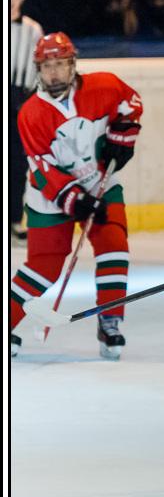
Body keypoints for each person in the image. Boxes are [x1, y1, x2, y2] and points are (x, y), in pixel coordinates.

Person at [9, 32, 143, 360]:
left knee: (114, 245)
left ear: (73, 64)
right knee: (44, 267)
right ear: (38, 69)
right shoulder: (31, 113)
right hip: (51, 197)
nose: (53, 72)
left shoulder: (105, 86)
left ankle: (110, 320)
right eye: (46, 66)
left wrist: (122, 137)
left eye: (60, 64)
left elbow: (132, 105)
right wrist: (77, 201)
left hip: (101, 181)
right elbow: (43, 170)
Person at [9, 0, 43, 247]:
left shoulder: (32, 29)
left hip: (21, 101)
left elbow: (39, 70)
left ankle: (14, 221)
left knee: (18, 164)